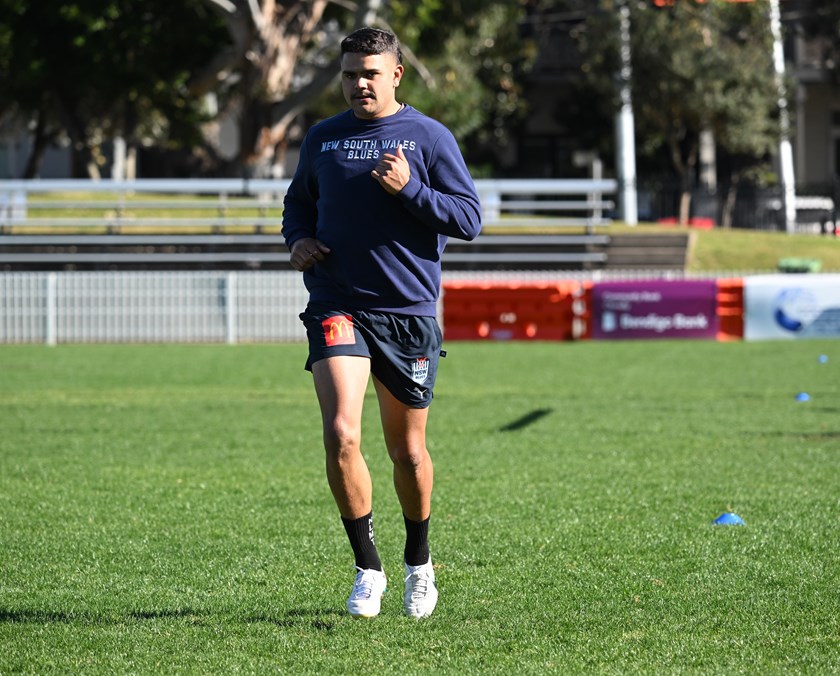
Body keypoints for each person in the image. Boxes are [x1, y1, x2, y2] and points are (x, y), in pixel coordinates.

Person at [282, 26, 481, 619]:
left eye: (369, 73)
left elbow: (468, 218)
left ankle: (418, 564)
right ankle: (367, 568)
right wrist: (298, 239)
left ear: (396, 74)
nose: (358, 84)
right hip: (337, 302)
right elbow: (299, 202)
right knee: (342, 432)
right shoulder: (323, 138)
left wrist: (411, 189)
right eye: (348, 74)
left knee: (408, 452)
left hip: (408, 312)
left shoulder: (428, 137)